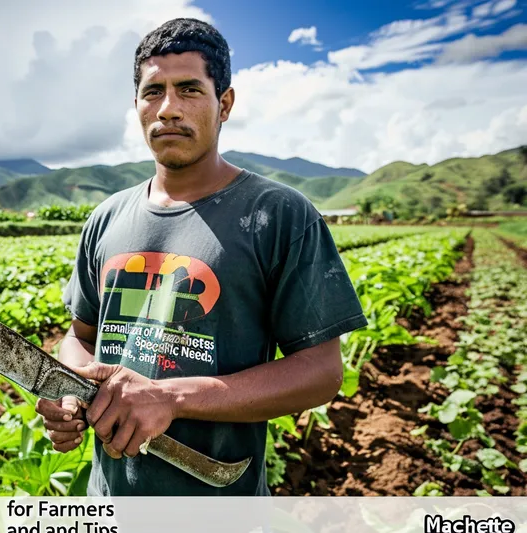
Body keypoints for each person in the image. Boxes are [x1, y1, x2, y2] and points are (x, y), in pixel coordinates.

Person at [34, 17, 368, 496]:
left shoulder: (279, 215)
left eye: (189, 89)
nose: (168, 108)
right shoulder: (107, 218)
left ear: (224, 103)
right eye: (153, 92)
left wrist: (171, 397)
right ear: (136, 105)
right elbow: (79, 337)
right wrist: (72, 388)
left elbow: (321, 372)